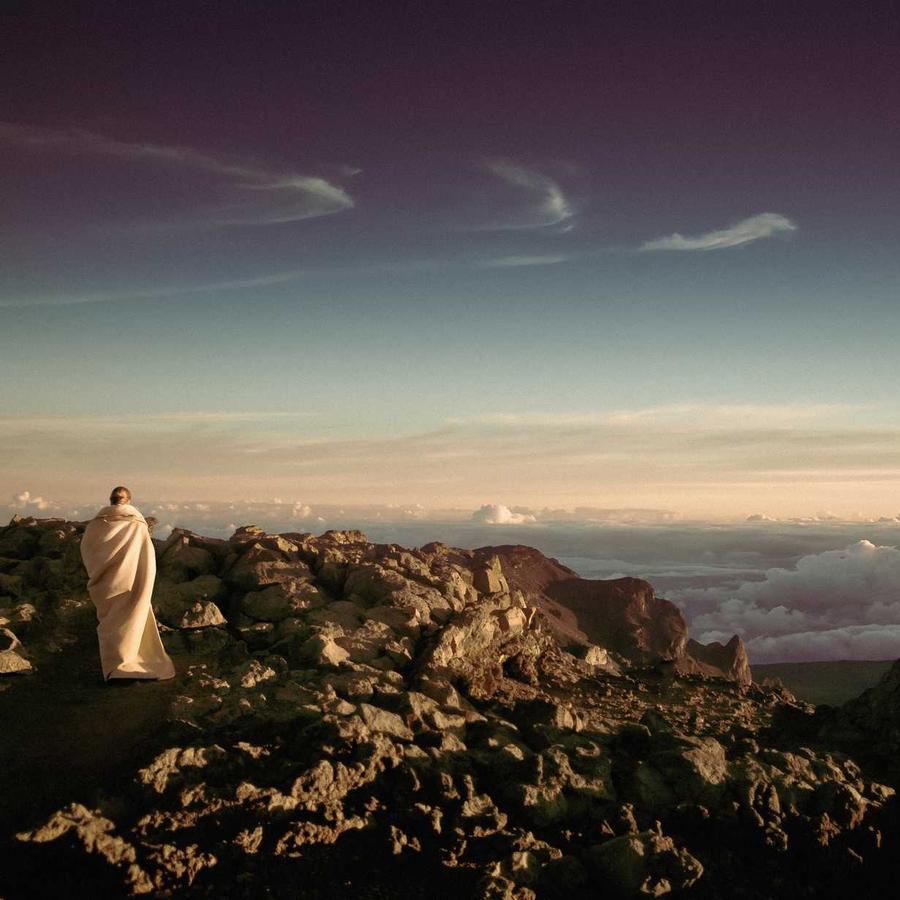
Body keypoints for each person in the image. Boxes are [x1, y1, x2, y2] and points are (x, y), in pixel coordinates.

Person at [79, 486, 175, 682]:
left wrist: (99, 571)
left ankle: (113, 666)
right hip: (130, 581)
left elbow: (87, 550)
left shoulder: (96, 525)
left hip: (105, 583)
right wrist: (142, 580)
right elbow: (145, 555)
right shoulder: (137, 523)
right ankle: (125, 663)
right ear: (128, 501)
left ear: (111, 500)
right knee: (129, 620)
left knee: (109, 620)